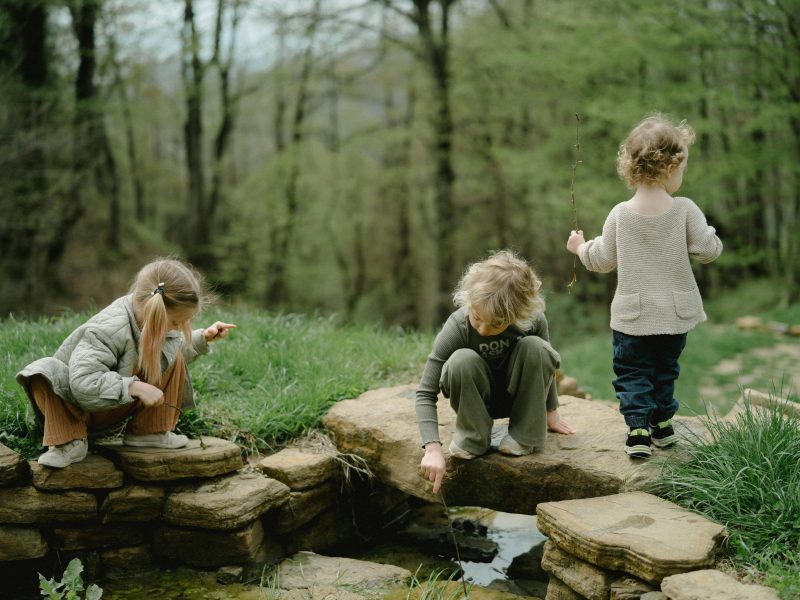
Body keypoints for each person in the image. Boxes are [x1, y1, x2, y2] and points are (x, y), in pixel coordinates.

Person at [566, 113, 722, 458]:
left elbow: (603, 259)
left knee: (633, 371)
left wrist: (580, 248)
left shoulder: (620, 214)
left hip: (633, 316)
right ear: (669, 167)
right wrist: (708, 232)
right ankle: (663, 425)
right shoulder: (684, 209)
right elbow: (707, 251)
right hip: (673, 315)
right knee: (665, 369)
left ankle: (638, 430)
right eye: (682, 170)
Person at [16, 257, 237, 468]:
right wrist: (133, 386)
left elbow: (171, 351)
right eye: (176, 322)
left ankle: (150, 431)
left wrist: (202, 338)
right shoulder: (109, 329)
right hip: (76, 406)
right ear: (155, 312)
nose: (179, 328)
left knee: (174, 355)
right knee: (42, 371)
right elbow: (83, 382)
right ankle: (68, 441)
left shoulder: (150, 323)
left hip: (112, 405)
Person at [417, 249, 575, 494]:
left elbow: (546, 367)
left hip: (520, 399)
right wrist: (432, 449)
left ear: (518, 316)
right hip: (477, 401)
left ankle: (524, 437)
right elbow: (425, 392)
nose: (481, 330)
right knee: (460, 360)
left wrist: (550, 412)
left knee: (537, 348)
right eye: (477, 317)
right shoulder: (457, 326)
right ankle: (473, 438)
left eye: (496, 324)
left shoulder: (533, 321)